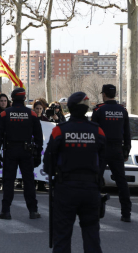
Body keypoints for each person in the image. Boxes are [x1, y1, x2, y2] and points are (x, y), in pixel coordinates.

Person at [44, 92, 106, 252]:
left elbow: (47, 163)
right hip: (91, 189)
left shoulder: (59, 131)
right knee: (92, 236)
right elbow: (104, 158)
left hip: (65, 189)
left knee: (62, 237)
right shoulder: (97, 131)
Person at [0, 88, 43, 220]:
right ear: (24, 98)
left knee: (8, 181)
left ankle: (6, 211)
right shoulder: (31, 114)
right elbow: (39, 136)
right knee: (29, 182)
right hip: (27, 151)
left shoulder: (5, 114)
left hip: (10, 151)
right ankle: (33, 211)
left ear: (12, 99)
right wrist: (38, 153)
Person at [91, 84, 132, 222]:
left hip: (101, 149)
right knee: (121, 182)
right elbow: (127, 133)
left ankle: (94, 210)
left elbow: (93, 133)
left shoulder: (98, 110)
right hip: (117, 149)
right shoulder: (122, 110)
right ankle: (126, 213)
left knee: (96, 180)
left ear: (104, 94)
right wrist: (126, 150)